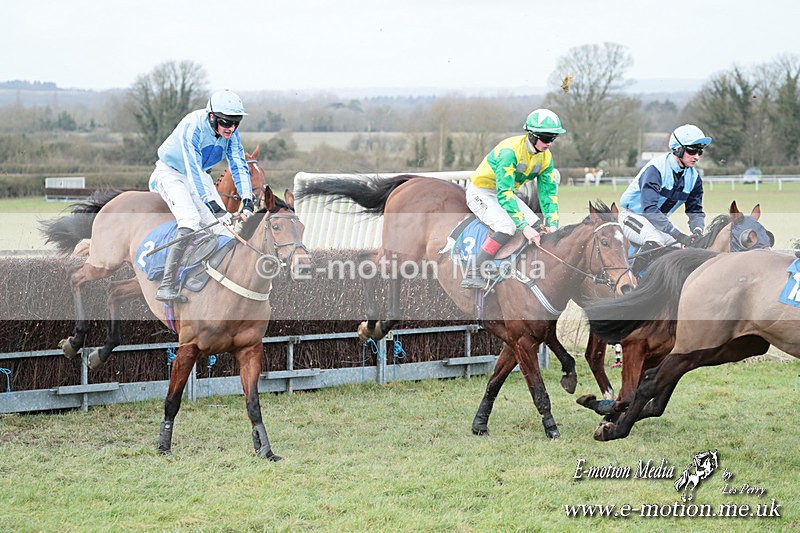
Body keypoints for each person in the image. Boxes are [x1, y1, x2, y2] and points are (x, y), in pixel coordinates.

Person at [148, 89, 256, 301]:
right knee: (190, 220)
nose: (231, 128)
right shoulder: (192, 126)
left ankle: (208, 279)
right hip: (172, 173)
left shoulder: (231, 134)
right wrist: (213, 206)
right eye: (226, 123)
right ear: (212, 116)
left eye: (236, 123)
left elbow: (238, 165)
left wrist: (248, 200)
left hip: (199, 176)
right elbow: (193, 169)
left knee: (225, 229)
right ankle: (167, 284)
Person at [461, 108, 565, 289]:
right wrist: (523, 227)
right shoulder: (510, 152)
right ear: (532, 135)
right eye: (547, 138)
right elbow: (505, 194)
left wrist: (553, 224)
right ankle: (474, 270)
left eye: (553, 138)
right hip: (482, 192)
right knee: (507, 227)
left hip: (506, 193)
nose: (549, 143)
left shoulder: (546, 158)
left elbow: (548, 194)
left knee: (537, 226)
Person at [618, 124, 712, 274]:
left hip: (657, 222)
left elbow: (695, 210)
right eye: (692, 150)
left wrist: (697, 231)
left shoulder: (694, 178)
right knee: (655, 240)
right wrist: (678, 235)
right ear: (678, 149)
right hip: (631, 217)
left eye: (700, 151)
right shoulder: (656, 169)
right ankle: (632, 282)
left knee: (685, 249)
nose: (697, 156)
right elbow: (650, 209)